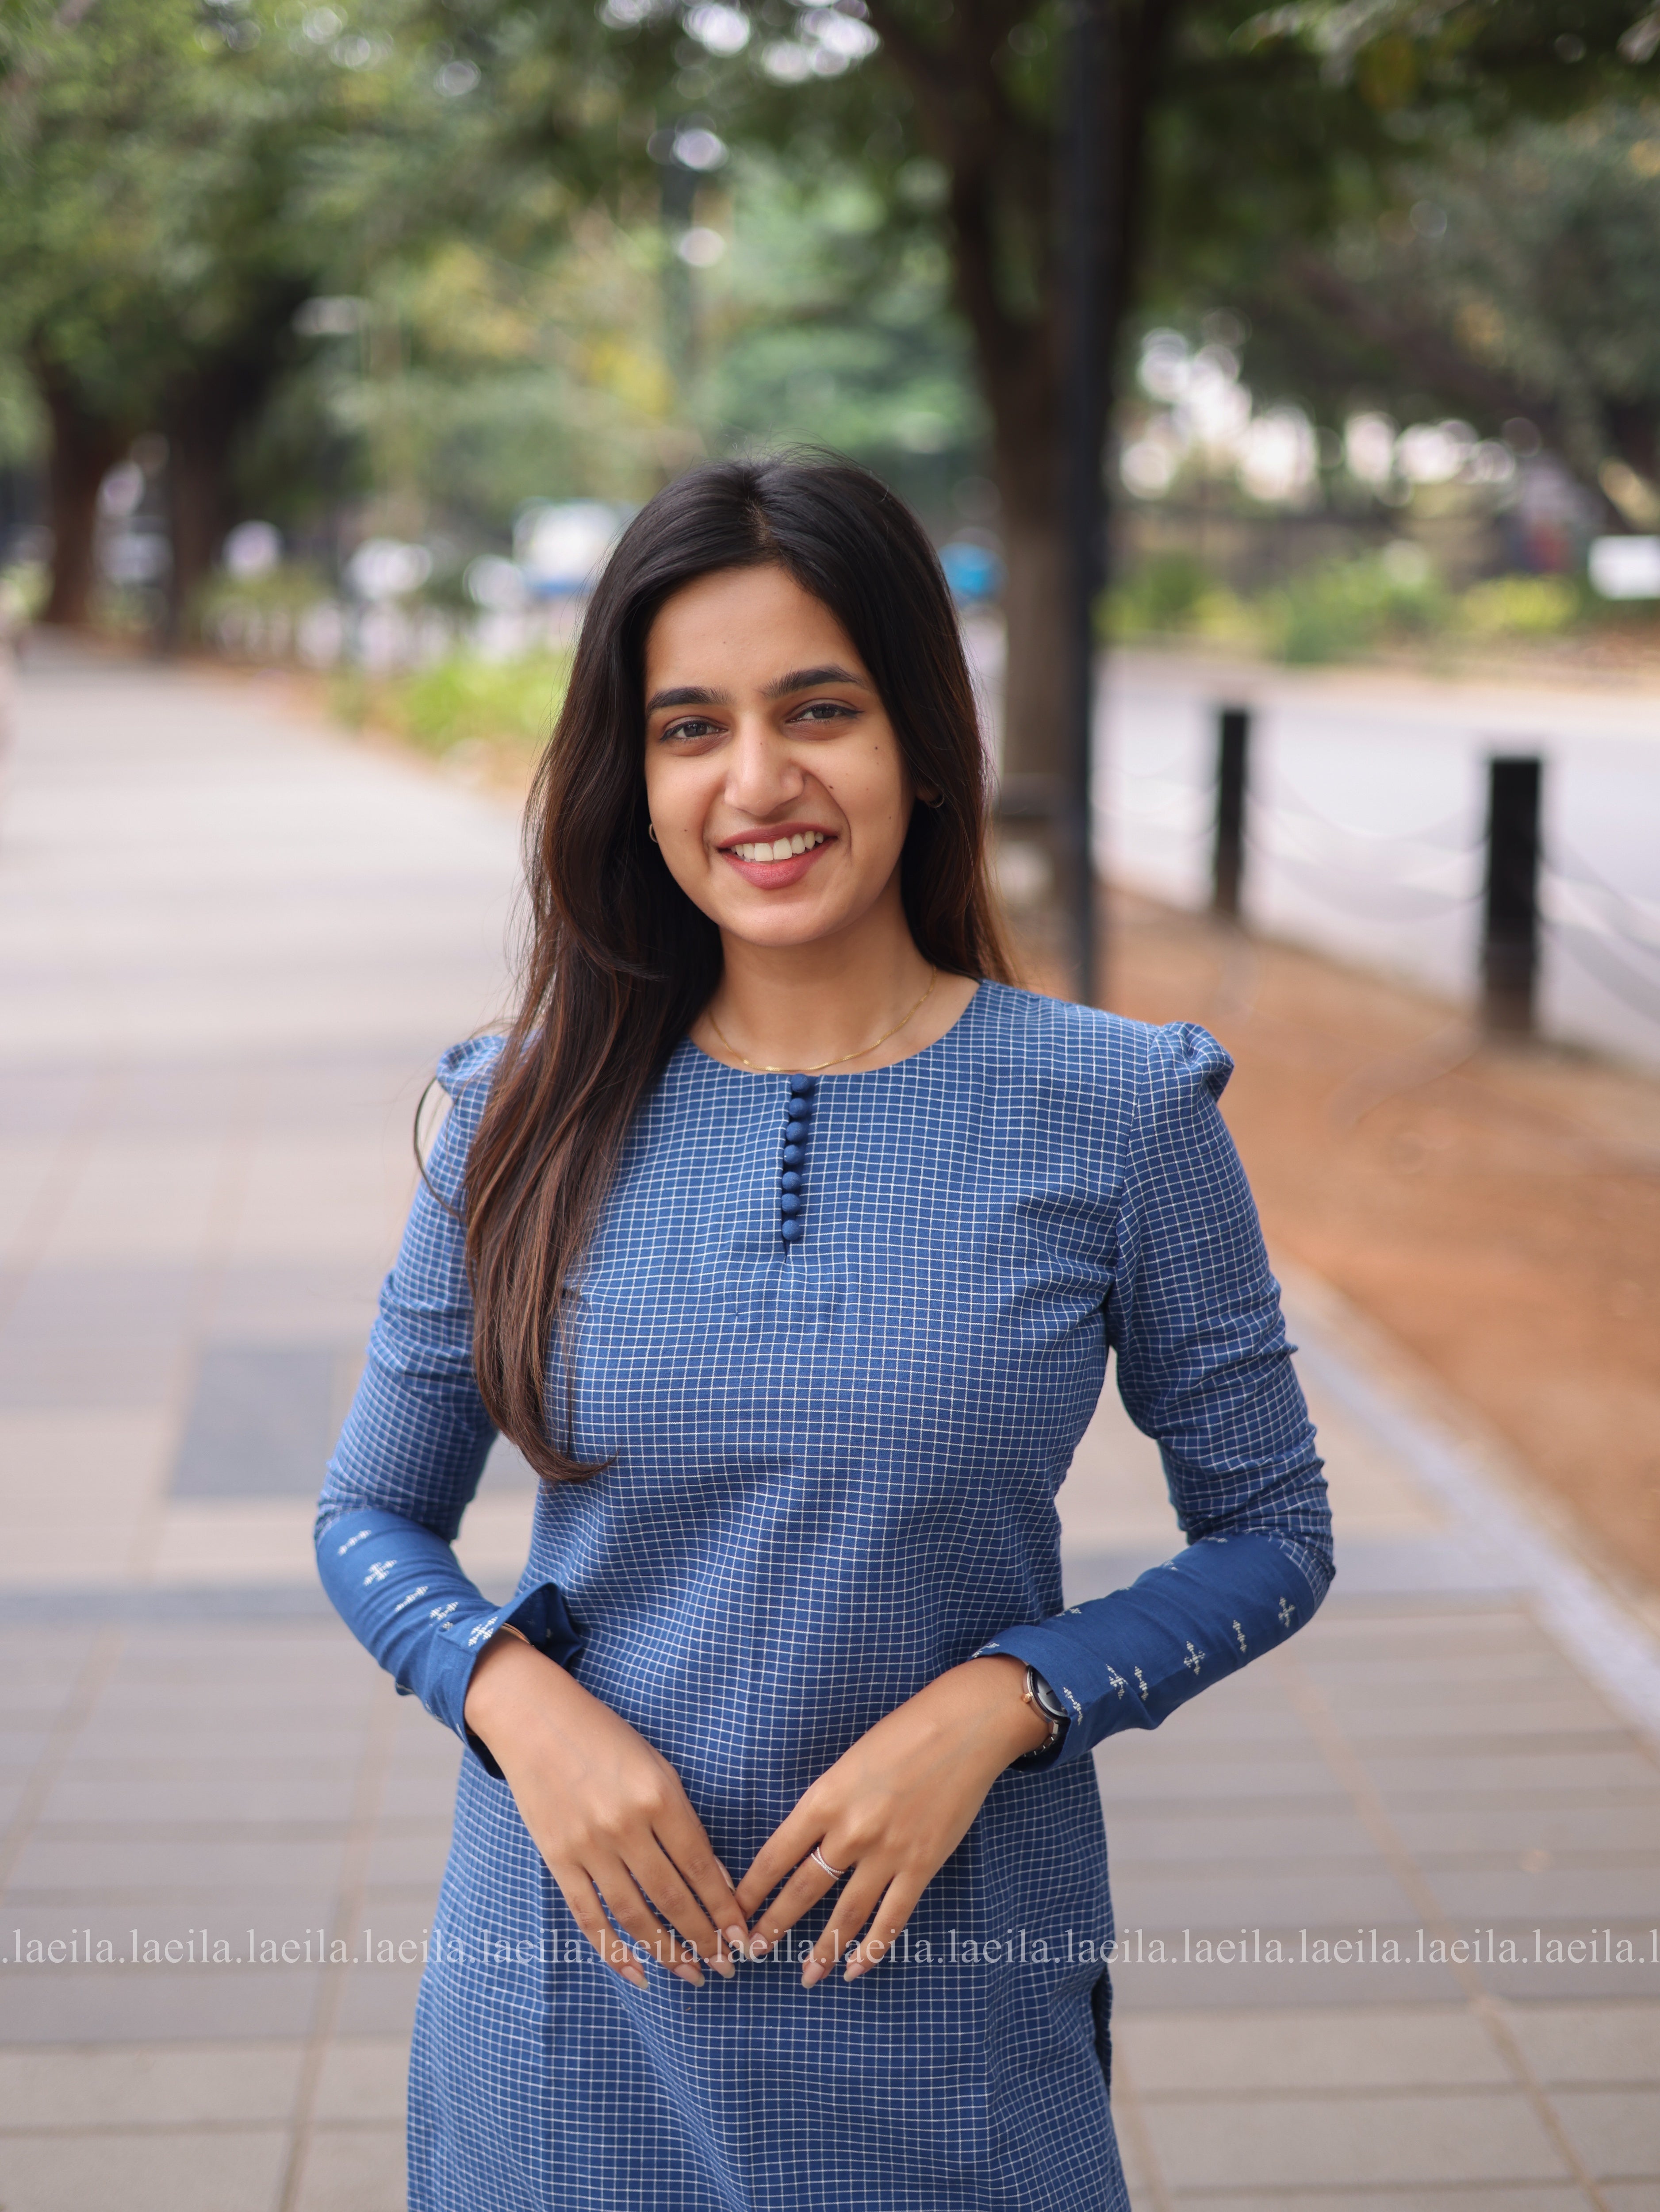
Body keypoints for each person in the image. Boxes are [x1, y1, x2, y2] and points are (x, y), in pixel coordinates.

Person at [316, 455, 1333, 2212]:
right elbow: (367, 1514)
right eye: (689, 727)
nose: (756, 782)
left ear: (923, 740)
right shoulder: (518, 1114)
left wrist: (1009, 1700)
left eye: (818, 710)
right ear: (633, 775)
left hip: (946, 2001)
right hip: (566, 1997)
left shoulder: (1119, 1113)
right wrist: (515, 1702)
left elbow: (1273, 1533)